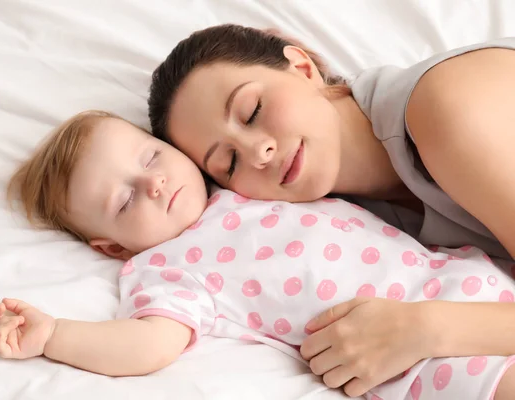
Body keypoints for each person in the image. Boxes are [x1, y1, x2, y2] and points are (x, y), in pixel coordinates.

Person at [0, 111, 515, 399]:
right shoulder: (165, 267)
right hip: (429, 363)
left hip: (471, 282)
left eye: (151, 156)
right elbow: (148, 344)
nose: (153, 183)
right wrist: (56, 336)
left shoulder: (242, 182)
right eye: (127, 198)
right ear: (111, 246)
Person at [146, 23, 515, 396]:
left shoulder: (448, 107)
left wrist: (424, 328)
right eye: (229, 163)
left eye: (252, 110)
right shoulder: (354, 227)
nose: (259, 152)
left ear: (302, 67)